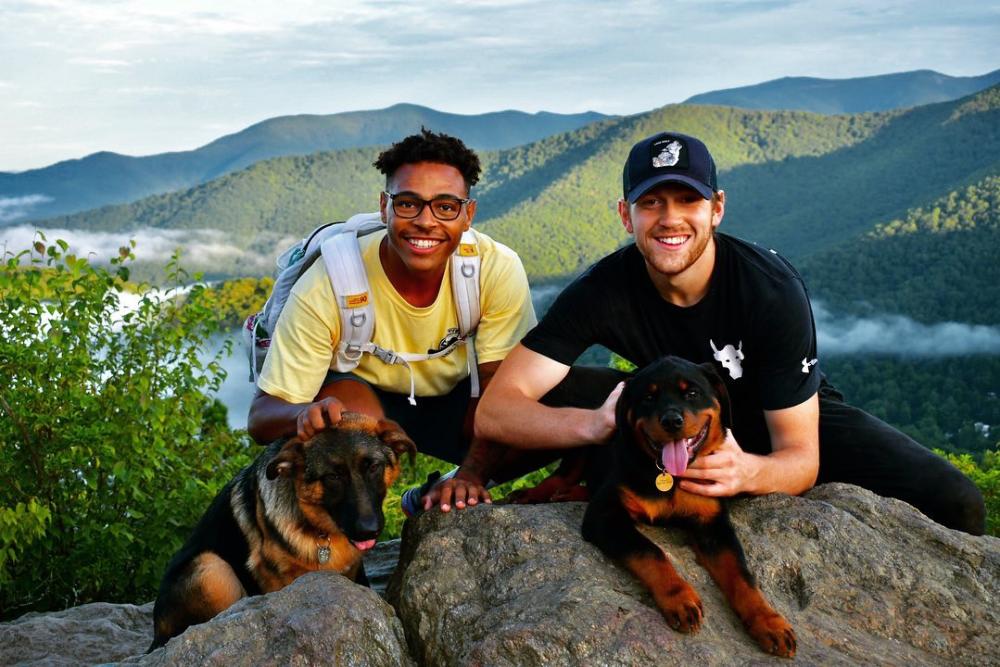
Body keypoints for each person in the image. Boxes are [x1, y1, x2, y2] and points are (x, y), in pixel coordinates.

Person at [473, 130, 986, 535]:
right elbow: (497, 411)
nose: (669, 219)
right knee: (560, 389)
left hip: (780, 408)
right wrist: (594, 426)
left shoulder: (769, 289)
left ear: (716, 208)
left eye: (686, 201)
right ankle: (550, 477)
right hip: (671, 414)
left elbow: (800, 456)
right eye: (651, 203)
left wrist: (750, 474)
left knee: (956, 501)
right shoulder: (603, 288)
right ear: (625, 215)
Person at [247, 129, 535, 514]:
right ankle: (352, 530)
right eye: (408, 204)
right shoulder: (332, 280)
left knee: (564, 405)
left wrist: (471, 475)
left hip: (462, 403)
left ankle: (437, 494)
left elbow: (502, 398)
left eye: (446, 206)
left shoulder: (493, 269)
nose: (425, 221)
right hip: (363, 405)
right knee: (345, 421)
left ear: (468, 214)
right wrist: (302, 415)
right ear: (384, 207)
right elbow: (261, 416)